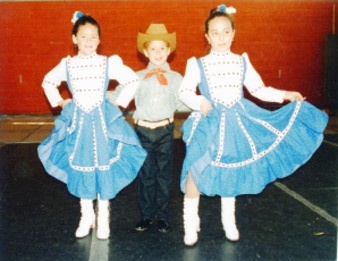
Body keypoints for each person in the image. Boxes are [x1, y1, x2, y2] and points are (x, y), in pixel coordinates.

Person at [178, 4, 328, 246]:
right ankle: (190, 223)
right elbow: (184, 91)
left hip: (238, 121)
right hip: (209, 122)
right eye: (214, 33)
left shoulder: (241, 61)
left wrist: (286, 94)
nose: (221, 37)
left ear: (233, 33)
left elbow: (259, 89)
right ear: (207, 36)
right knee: (194, 169)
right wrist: (200, 100)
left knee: (231, 168)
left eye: (226, 31)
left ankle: (229, 221)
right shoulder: (197, 64)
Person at [37, 11, 147, 240]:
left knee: (103, 164)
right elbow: (48, 82)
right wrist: (60, 100)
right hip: (78, 124)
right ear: (74, 38)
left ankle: (103, 217)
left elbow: (132, 80)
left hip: (102, 123)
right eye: (83, 36)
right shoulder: (67, 64)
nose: (89, 41)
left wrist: (118, 103)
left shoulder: (107, 63)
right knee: (82, 164)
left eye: (94, 36)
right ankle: (86, 216)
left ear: (99, 39)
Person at [106, 24, 190, 233]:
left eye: (162, 48)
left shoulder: (176, 78)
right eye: (153, 49)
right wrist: (95, 95)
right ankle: (146, 215)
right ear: (145, 52)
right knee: (146, 175)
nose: (158, 53)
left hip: (165, 131)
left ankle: (162, 216)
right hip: (142, 132)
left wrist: (203, 101)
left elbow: (184, 102)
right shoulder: (135, 77)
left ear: (169, 50)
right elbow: (117, 95)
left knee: (163, 175)